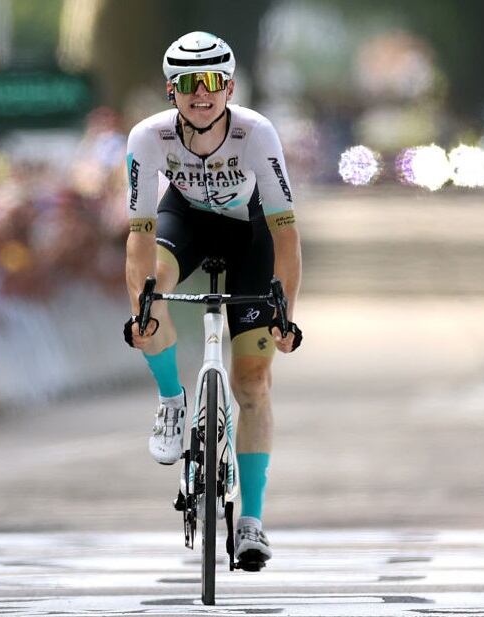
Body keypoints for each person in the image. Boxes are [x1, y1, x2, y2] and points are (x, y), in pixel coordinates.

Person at [123, 32, 302, 570]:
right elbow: (138, 234)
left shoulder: (256, 133)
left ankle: (252, 522)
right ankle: (172, 401)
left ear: (230, 87)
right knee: (151, 288)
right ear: (170, 90)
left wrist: (286, 313)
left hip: (252, 234)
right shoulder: (148, 137)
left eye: (211, 82)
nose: (200, 93)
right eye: (187, 83)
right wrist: (141, 309)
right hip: (186, 221)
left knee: (252, 382)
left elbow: (286, 234)